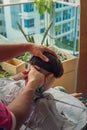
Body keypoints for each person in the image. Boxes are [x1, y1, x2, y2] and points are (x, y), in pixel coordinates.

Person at [0, 43, 57, 130]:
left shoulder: (6, 84)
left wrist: (28, 47)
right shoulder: (43, 105)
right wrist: (32, 83)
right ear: (49, 78)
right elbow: (9, 124)